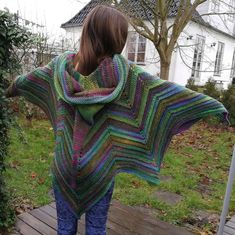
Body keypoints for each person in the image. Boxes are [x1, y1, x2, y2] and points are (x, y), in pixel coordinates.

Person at [5, 5, 228, 235]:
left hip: (65, 167)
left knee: (64, 229)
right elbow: (166, 95)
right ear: (118, 40)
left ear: (87, 33)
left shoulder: (58, 69)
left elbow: (26, 81)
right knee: (96, 229)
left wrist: (8, 88)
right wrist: (211, 105)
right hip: (101, 168)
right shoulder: (127, 76)